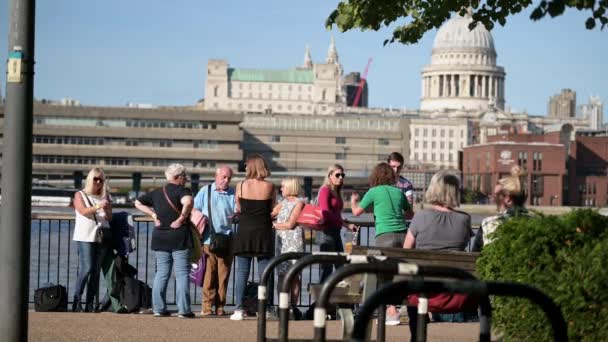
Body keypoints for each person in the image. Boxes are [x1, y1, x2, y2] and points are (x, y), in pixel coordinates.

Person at [403, 170, 473, 340]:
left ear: (433, 190)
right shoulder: (464, 220)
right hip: (455, 294)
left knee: (413, 282)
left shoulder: (420, 217)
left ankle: (417, 337)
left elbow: (406, 251)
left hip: (422, 293)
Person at [350, 162, 410, 325]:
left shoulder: (373, 192)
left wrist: (353, 201)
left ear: (375, 176)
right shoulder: (399, 192)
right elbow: (410, 213)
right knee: (400, 272)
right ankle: (397, 308)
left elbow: (357, 212)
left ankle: (390, 312)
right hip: (403, 235)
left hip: (385, 235)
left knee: (384, 274)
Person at [134, 163, 195, 318]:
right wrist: (182, 218)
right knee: (181, 274)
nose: (186, 179)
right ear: (178, 177)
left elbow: (137, 203)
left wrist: (153, 215)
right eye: (184, 176)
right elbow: (188, 202)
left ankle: (159, 309)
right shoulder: (183, 191)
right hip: (179, 236)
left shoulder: (156, 192)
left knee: (162, 273)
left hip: (160, 236)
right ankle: (184, 310)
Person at [230, 154, 276, 321]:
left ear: (249, 167)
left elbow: (239, 208)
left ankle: (238, 309)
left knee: (242, 272)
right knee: (265, 272)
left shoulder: (240, 185)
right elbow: (272, 209)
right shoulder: (270, 186)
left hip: (244, 232)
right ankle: (267, 308)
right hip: (263, 232)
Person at [193, 166, 236, 316]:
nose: (226, 180)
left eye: (229, 178)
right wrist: (200, 220)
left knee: (223, 276)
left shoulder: (233, 193)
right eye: (224, 177)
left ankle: (220, 306)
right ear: (216, 176)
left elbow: (238, 211)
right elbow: (194, 208)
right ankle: (206, 307)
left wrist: (236, 215)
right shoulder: (205, 191)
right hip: (208, 239)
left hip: (226, 239)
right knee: (208, 274)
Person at [72, 167, 112, 312]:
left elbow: (109, 217)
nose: (98, 182)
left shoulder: (105, 195)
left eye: (101, 179)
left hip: (102, 236)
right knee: (86, 268)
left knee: (95, 271)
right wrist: (98, 206)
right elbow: (82, 211)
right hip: (85, 236)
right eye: (95, 179)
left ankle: (90, 304)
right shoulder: (80, 195)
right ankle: (77, 301)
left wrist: (107, 209)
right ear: (90, 179)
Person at [317, 164, 358, 283]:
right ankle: (320, 299)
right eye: (337, 175)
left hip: (336, 233)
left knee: (340, 265)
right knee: (327, 268)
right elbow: (326, 213)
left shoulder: (336, 191)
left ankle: (336, 298)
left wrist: (345, 222)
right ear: (330, 176)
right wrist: (345, 224)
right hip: (326, 233)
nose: (340, 177)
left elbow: (336, 214)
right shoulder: (325, 190)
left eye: (342, 175)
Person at [271, 177, 305, 319]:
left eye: (283, 186)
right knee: (281, 275)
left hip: (294, 243)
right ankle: (282, 305)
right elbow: (271, 213)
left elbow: (291, 224)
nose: (281, 189)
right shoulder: (282, 203)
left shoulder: (299, 203)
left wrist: (274, 225)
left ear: (291, 187)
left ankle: (293, 306)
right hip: (282, 243)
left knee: (294, 276)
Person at [472, 165, 528, 252]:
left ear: (508, 199)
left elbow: (475, 256)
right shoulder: (537, 223)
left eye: (496, 195)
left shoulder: (489, 223)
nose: (493, 198)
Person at [387, 152, 415, 219]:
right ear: (388, 166)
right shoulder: (381, 182)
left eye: (399, 167)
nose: (396, 170)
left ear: (402, 167)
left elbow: (409, 207)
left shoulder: (407, 184)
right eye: (393, 166)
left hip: (399, 222)